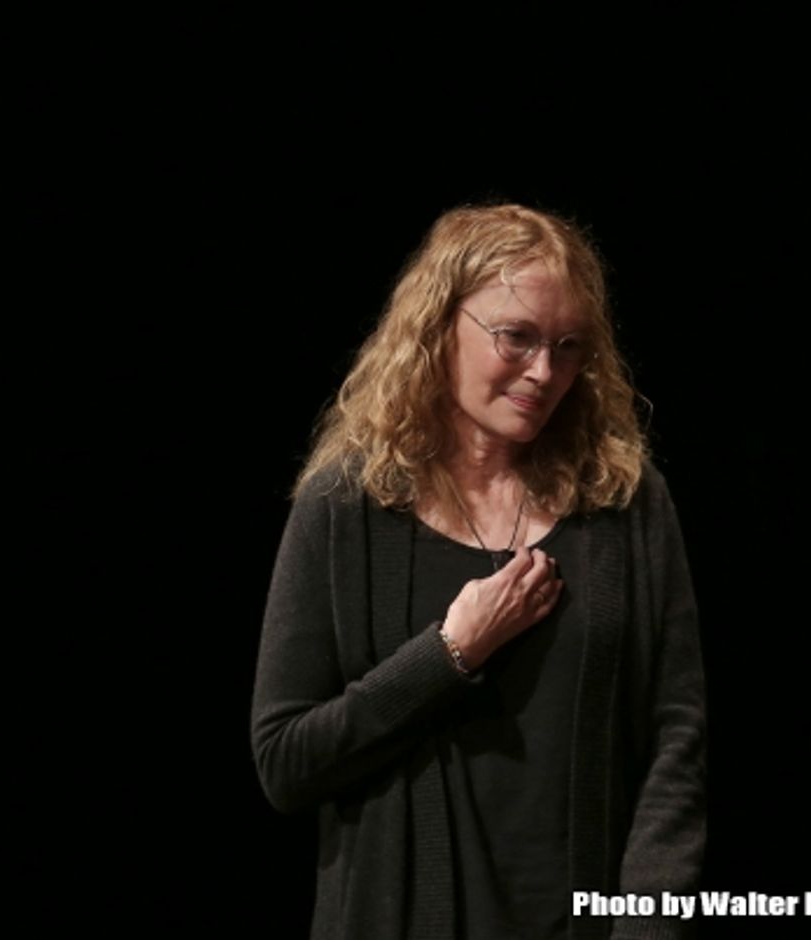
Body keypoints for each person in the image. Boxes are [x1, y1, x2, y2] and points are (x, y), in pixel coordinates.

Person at [251, 203, 706, 940]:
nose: (545, 371)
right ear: (439, 326)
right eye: (516, 338)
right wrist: (448, 654)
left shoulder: (623, 501)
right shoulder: (346, 504)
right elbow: (286, 762)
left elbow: (674, 740)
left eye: (568, 346)